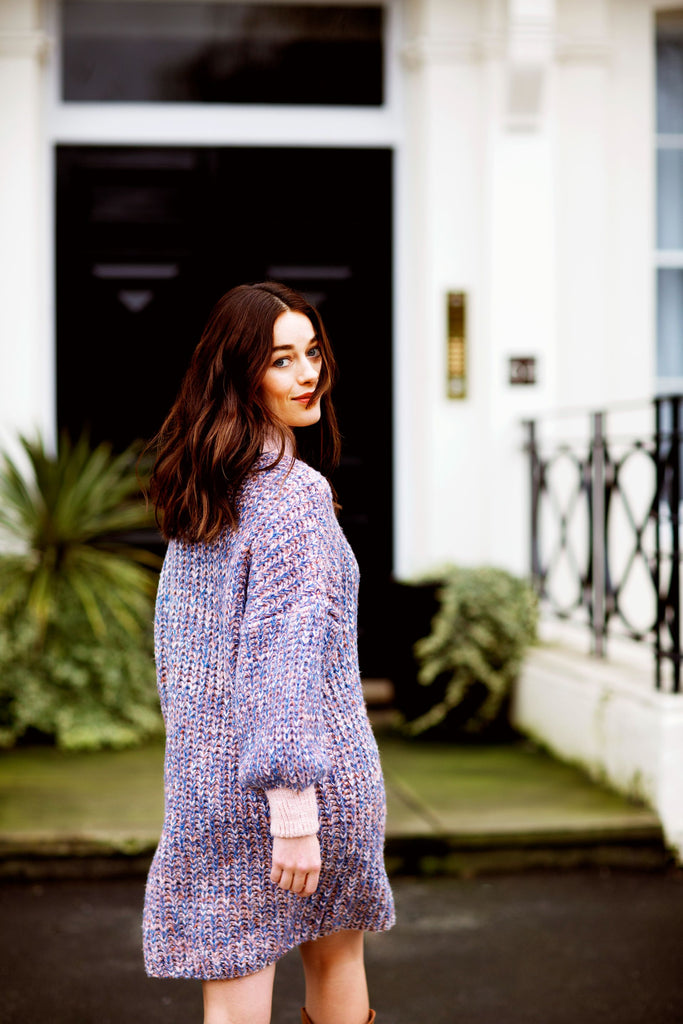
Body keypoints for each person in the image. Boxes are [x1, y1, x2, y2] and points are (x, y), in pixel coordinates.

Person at [142, 281, 395, 1024]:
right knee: (336, 961)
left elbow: (188, 667)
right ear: (240, 375)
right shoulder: (292, 496)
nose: (307, 372)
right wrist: (291, 813)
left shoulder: (205, 492)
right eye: (281, 360)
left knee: (234, 1003)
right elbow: (281, 660)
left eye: (311, 351)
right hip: (307, 790)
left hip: (214, 788)